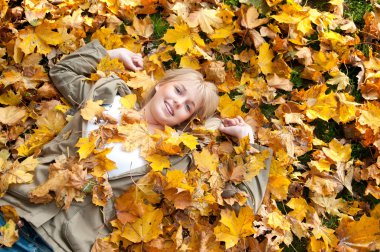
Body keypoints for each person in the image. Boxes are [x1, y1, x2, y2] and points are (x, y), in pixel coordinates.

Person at [0, 40, 272, 251]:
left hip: (62, 246)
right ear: (163, 85)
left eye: (188, 106)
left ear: (188, 120)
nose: (178, 103)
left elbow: (242, 206)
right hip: (14, 207)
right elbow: (63, 71)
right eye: (178, 91)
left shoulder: (175, 159)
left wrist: (248, 141)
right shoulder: (111, 97)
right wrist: (111, 53)